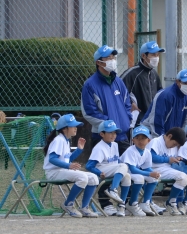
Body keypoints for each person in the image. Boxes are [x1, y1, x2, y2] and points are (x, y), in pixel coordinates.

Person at [81, 45, 133, 214]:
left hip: (122, 134)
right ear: (99, 62)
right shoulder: (90, 85)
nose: (112, 61)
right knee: (104, 170)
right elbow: (89, 112)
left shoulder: (118, 81)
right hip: (102, 136)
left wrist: (126, 119)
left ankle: (125, 204)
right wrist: (108, 125)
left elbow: (127, 103)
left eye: (113, 57)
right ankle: (105, 203)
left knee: (126, 168)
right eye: (108, 58)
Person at [42, 114, 99, 218]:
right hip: (53, 173)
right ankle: (68, 204)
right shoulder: (59, 140)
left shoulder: (66, 140)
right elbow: (52, 159)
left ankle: (84, 207)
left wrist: (79, 150)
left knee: (93, 178)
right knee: (83, 177)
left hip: (61, 171)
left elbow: (68, 159)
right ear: (64, 128)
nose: (75, 128)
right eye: (73, 126)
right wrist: (69, 166)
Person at [148, 127, 187, 216]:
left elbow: (172, 160)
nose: (174, 146)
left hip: (169, 169)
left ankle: (185, 204)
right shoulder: (156, 141)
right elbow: (151, 157)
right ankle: (171, 203)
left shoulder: (173, 146)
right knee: (182, 177)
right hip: (155, 169)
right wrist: (168, 159)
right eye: (174, 144)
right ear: (169, 136)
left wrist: (178, 159)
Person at [85, 120, 132, 217]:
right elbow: (89, 165)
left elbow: (116, 162)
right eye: (110, 132)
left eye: (115, 132)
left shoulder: (115, 144)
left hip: (112, 170)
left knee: (127, 176)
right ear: (102, 134)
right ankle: (113, 190)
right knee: (123, 166)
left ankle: (121, 206)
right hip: (102, 171)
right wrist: (98, 172)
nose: (113, 135)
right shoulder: (99, 147)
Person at [120, 41, 165, 126]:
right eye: (153, 55)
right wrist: (130, 103)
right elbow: (117, 90)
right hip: (136, 122)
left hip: (152, 121)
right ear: (144, 56)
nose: (156, 58)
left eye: (157, 55)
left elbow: (160, 93)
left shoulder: (154, 74)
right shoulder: (132, 73)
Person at [119, 125, 161, 217]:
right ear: (133, 140)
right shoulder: (131, 150)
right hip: (124, 173)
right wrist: (150, 173)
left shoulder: (147, 152)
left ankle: (145, 203)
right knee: (140, 178)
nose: (140, 141)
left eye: (143, 138)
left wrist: (155, 174)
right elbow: (133, 170)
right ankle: (132, 203)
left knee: (153, 179)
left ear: (148, 140)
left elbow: (146, 167)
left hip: (133, 173)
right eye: (137, 138)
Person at [142, 69, 187, 137]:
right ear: (177, 81)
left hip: (171, 136)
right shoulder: (166, 95)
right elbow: (157, 121)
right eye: (186, 83)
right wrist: (161, 140)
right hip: (150, 133)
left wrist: (183, 138)